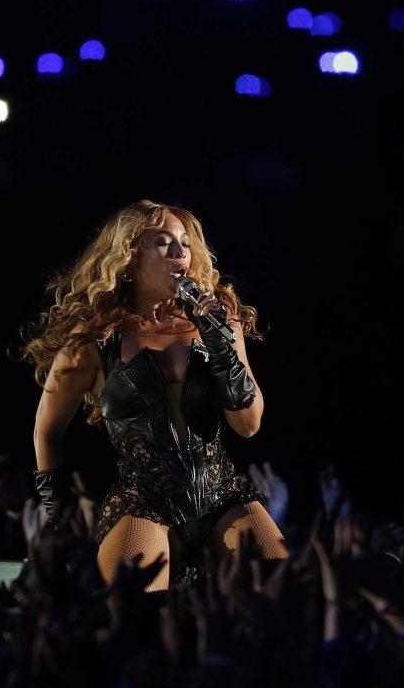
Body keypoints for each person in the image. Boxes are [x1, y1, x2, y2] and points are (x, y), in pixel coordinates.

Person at [21, 200, 288, 591]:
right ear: (128, 258)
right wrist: (59, 518)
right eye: (163, 243)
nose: (180, 252)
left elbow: (248, 425)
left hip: (222, 493)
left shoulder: (219, 320)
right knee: (137, 616)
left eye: (185, 242)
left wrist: (218, 342)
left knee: (284, 591)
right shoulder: (94, 339)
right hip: (143, 499)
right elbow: (46, 431)